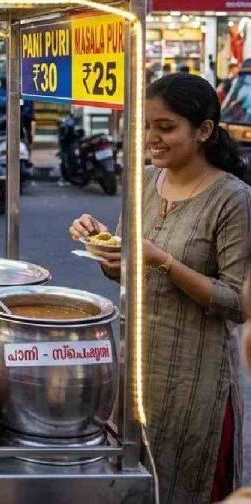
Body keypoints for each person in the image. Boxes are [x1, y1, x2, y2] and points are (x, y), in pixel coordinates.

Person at [69, 73, 249, 503]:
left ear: (203, 130)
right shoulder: (145, 181)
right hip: (137, 373)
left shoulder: (233, 199)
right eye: (146, 125)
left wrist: (164, 262)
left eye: (165, 127)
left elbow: (237, 303)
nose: (151, 137)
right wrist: (102, 249)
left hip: (197, 385)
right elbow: (125, 271)